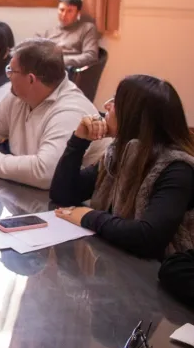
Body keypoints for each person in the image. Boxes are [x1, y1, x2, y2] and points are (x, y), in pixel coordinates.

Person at [50, 75, 194, 259]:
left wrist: (89, 216)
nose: (107, 105)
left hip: (159, 271)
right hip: (119, 263)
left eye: (116, 101)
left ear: (134, 116)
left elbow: (148, 238)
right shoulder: (120, 154)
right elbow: (63, 194)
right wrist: (79, 140)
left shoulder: (177, 169)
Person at [0, 38, 108, 190]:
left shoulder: (70, 111)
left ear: (30, 79)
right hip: (31, 194)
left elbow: (46, 173)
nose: (8, 76)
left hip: (75, 201)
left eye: (11, 71)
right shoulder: (18, 96)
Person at [37, 0, 100, 69]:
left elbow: (91, 56)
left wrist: (61, 61)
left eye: (69, 11)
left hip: (68, 70)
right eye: (62, 10)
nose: (64, 15)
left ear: (78, 13)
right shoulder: (48, 31)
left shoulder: (87, 28)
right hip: (46, 67)